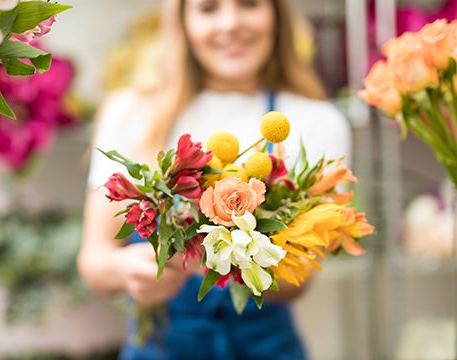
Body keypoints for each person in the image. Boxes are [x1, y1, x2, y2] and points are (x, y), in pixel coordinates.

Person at [78, 0, 352, 358]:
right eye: (208, 8)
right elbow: (94, 262)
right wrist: (128, 271)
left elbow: (297, 282)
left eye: (249, 4)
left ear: (276, 14)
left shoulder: (315, 122)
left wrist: (221, 260)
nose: (230, 23)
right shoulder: (132, 112)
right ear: (183, 21)